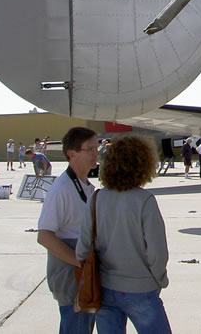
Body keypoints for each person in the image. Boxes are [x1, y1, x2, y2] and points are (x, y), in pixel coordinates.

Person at [76, 136, 170, 333]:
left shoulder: (96, 198)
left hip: (105, 288)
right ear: (143, 165)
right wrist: (159, 280)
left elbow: (82, 248)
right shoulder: (144, 200)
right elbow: (157, 252)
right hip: (141, 288)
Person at [36, 127, 99, 334]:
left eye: (96, 148)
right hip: (72, 277)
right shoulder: (62, 188)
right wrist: (80, 262)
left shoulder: (86, 186)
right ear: (72, 153)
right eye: (90, 149)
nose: (96, 154)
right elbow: (44, 236)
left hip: (83, 274)